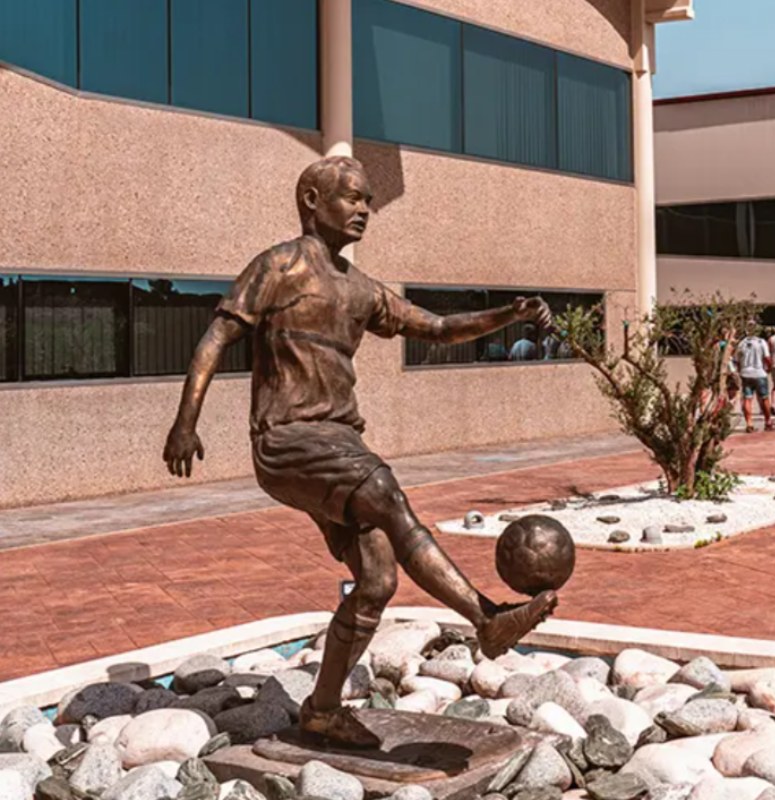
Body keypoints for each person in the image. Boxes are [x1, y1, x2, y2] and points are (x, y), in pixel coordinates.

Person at [162, 156, 556, 746]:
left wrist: (509, 313)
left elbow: (440, 328)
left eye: (369, 200)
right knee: (385, 491)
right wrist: (184, 422)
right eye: (352, 198)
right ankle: (486, 618)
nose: (365, 210)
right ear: (312, 200)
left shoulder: (361, 289)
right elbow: (218, 336)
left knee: (376, 580)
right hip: (287, 441)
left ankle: (321, 710)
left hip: (339, 444)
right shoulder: (277, 267)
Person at [736, 325, 773, 432]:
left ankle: (749, 423)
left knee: (748, 398)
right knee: (764, 397)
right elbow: (767, 357)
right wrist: (769, 367)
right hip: (759, 373)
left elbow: (737, 360)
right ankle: (768, 421)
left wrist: (740, 370)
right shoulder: (761, 342)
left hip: (746, 373)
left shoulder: (741, 343)